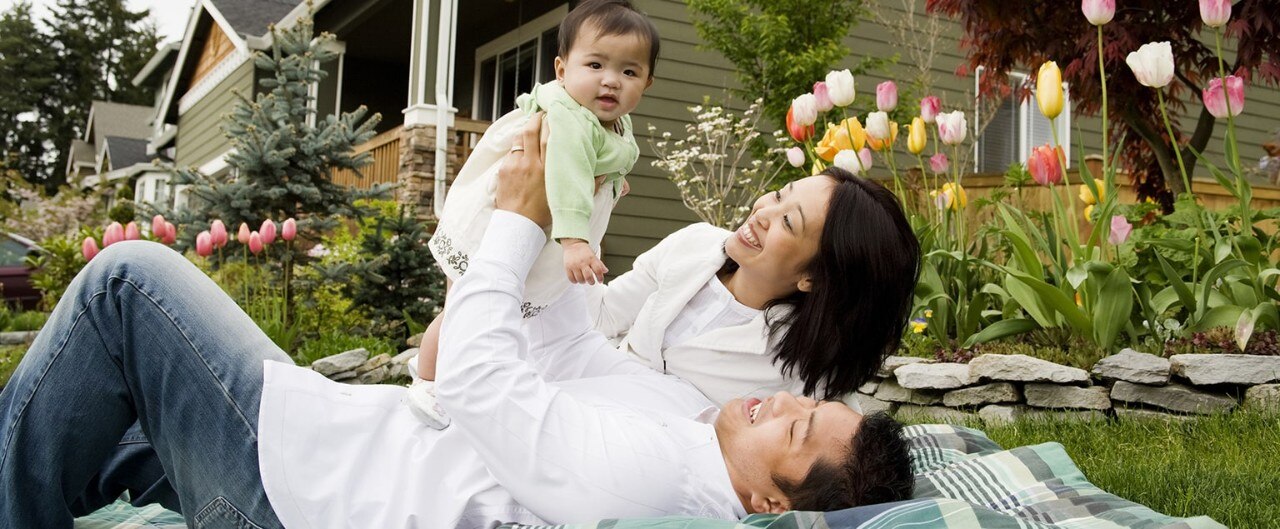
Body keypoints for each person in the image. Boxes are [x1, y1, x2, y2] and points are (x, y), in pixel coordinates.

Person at [0, 114, 914, 529]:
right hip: (353, 439)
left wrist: (516, 228)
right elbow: (578, 342)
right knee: (109, 438)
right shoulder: (691, 425)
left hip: (301, 491)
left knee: (129, 279)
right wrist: (563, 224)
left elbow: (486, 387)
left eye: (792, 426)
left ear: (766, 503)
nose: (774, 407)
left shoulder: (658, 479)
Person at [413, 0, 657, 426]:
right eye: (595, 64)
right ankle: (430, 382)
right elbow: (564, 177)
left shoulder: (611, 122)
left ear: (647, 82)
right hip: (493, 229)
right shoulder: (567, 120)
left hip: (531, 230)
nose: (611, 81)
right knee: (461, 312)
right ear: (562, 70)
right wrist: (577, 241)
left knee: (495, 315)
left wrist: (613, 184)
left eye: (629, 71)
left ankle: (463, 380)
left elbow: (604, 162)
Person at [585, 166, 920, 406]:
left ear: (814, 278)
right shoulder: (694, 243)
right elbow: (601, 317)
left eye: (788, 222)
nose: (763, 213)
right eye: (777, 195)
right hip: (588, 400)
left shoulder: (803, 370)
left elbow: (839, 449)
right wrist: (585, 218)